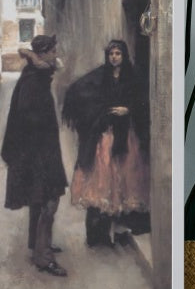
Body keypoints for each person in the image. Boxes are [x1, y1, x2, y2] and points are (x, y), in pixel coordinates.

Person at [62, 39, 149, 247]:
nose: (114, 57)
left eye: (118, 53)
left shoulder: (132, 76)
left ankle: (121, 231)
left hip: (125, 134)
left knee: (125, 180)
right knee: (103, 179)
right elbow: (80, 90)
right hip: (106, 134)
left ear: (124, 55)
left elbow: (141, 101)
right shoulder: (101, 75)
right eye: (111, 54)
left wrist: (128, 110)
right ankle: (99, 236)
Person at [1, 33, 68, 277]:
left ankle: (38, 245)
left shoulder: (37, 74)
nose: (56, 55)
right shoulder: (33, 80)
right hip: (37, 152)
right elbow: (27, 117)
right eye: (52, 51)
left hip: (41, 150)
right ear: (43, 54)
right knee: (49, 201)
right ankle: (44, 258)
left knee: (38, 199)